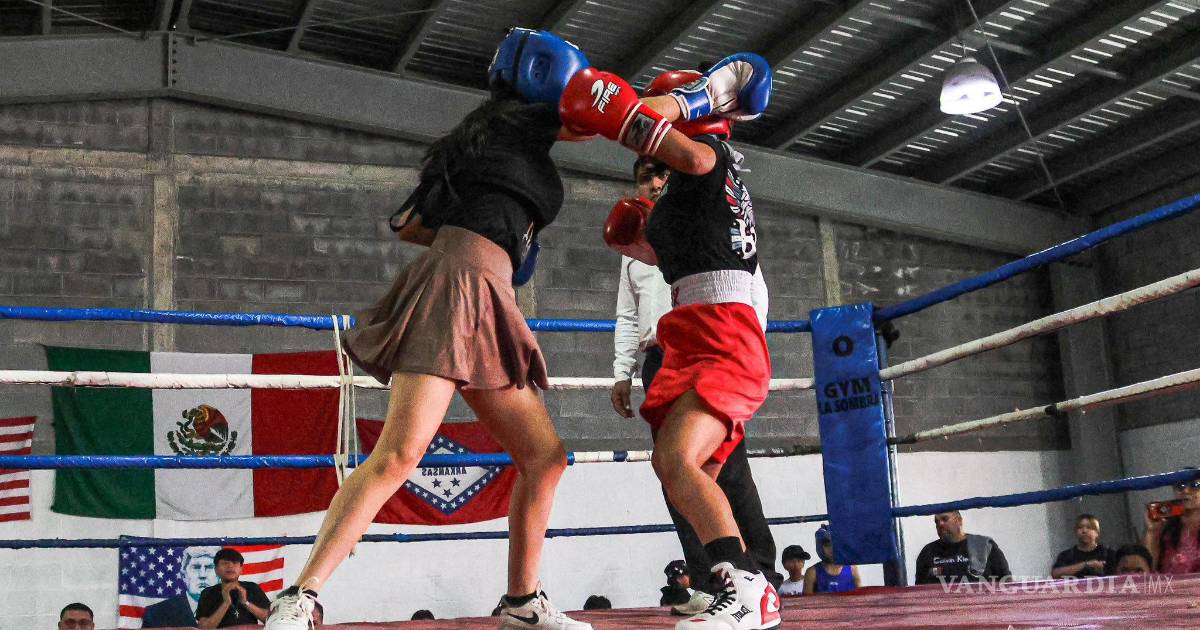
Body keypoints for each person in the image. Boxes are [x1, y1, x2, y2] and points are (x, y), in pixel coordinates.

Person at [263, 28, 594, 630]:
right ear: (548, 84)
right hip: (458, 290)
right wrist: (696, 101)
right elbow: (600, 114)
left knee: (544, 456)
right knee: (399, 454)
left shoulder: (481, 136)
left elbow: (413, 225)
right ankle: (299, 597)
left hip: (485, 293)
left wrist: (493, 232)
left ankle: (522, 603)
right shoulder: (519, 126)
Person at [561, 53, 779, 630]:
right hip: (692, 333)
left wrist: (614, 111)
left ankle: (752, 589)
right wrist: (636, 241)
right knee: (681, 466)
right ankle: (736, 584)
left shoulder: (707, 156)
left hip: (723, 332)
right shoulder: (689, 189)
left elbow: (669, 139)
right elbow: (677, 259)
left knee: (679, 461)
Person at [611, 154, 778, 619]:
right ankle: (725, 585)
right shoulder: (662, 229)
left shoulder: (707, 204)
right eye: (645, 177)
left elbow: (751, 283)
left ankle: (755, 580)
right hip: (674, 352)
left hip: (723, 341)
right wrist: (622, 370)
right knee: (685, 474)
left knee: (696, 466)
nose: (654, 183)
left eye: (662, 174)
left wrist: (749, 355)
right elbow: (627, 313)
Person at [914, 511, 1011, 585]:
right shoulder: (928, 552)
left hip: (980, 603)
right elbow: (919, 589)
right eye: (936, 521)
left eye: (945, 519)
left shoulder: (984, 545)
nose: (940, 524)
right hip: (942, 605)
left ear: (959, 520)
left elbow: (1006, 580)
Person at [143, 545, 220, 628]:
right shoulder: (156, 613)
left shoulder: (230, 611)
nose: (202, 575)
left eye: (209, 567)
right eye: (196, 567)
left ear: (220, 577)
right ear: (183, 575)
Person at [196, 547, 271, 628]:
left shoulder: (252, 588)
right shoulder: (208, 593)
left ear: (241, 569)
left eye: (235, 563)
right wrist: (226, 603)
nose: (230, 566)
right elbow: (204, 628)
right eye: (225, 563)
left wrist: (246, 603)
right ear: (216, 570)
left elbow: (271, 620)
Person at [1143, 477, 1200, 574]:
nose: (1186, 490)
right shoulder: (1165, 523)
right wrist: (1152, 532)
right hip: (1169, 582)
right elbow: (1147, 569)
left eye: (1195, 485)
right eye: (1180, 486)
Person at [1051, 513, 1114, 579]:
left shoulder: (1108, 553)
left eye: (1089, 527)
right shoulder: (1066, 555)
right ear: (1076, 532)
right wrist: (1085, 565)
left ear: (1097, 533)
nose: (1084, 531)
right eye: (1080, 527)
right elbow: (1055, 574)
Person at [803, 524, 860, 594]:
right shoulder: (812, 572)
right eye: (827, 545)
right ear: (821, 547)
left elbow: (861, 598)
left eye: (836, 545)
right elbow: (806, 600)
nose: (832, 549)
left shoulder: (852, 569)